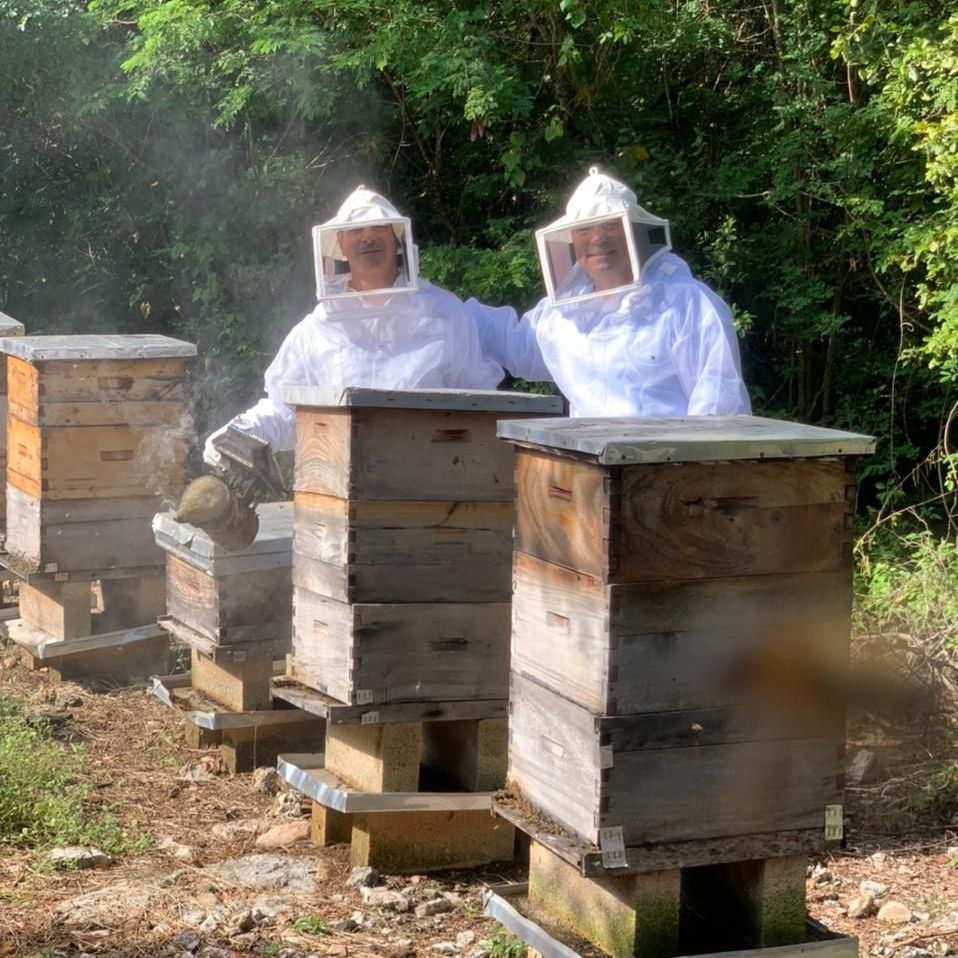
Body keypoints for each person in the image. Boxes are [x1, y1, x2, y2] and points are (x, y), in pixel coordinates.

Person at [204, 186, 503, 464]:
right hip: (340, 485)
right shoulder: (317, 329)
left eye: (378, 229)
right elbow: (286, 412)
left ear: (397, 240)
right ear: (341, 245)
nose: (368, 237)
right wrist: (241, 433)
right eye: (356, 230)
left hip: (434, 486)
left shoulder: (444, 313)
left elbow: (479, 403)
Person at [469, 167, 751, 418]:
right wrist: (440, 304)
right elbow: (514, 344)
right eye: (584, 230)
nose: (598, 239)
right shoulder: (562, 315)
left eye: (610, 225)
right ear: (571, 242)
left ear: (635, 230)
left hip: (667, 468)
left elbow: (719, 407)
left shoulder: (687, 304)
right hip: (589, 469)